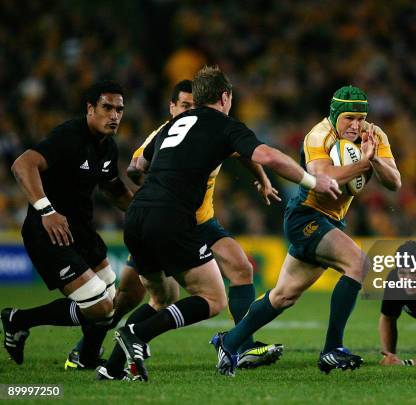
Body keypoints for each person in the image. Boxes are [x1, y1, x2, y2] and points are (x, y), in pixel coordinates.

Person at [99, 65, 340, 382]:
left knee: (162, 298)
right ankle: (137, 336)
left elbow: (137, 166)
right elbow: (267, 154)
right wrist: (312, 180)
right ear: (225, 97)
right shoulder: (224, 125)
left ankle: (113, 366)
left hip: (138, 214)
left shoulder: (171, 125)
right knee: (214, 299)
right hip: (172, 219)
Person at [88, 79, 283, 376]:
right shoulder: (165, 132)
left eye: (195, 105)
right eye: (184, 106)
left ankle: (240, 347)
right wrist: (163, 187)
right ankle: (91, 348)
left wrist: (264, 180)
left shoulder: (213, 127)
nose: (191, 111)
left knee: (241, 268)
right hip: (169, 219)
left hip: (198, 220)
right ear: (172, 107)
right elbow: (135, 165)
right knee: (143, 297)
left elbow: (244, 152)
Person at [211, 85, 402, 376]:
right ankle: (332, 349)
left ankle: (230, 341)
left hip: (331, 220)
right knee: (358, 263)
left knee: (283, 296)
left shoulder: (373, 135)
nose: (356, 125)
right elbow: (322, 176)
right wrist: (363, 163)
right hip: (305, 216)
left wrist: (374, 159)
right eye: (349, 118)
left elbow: (395, 182)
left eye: (361, 118)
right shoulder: (319, 135)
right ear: (335, 115)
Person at [2, 80, 133, 365]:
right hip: (48, 232)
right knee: (100, 308)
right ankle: (19, 319)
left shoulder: (108, 148)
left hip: (82, 232)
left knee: (112, 300)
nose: (114, 115)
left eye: (119, 110)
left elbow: (114, 190)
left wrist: (148, 211)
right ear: (90, 109)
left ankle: (86, 358)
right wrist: (46, 210)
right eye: (107, 107)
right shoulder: (69, 135)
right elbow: (22, 165)